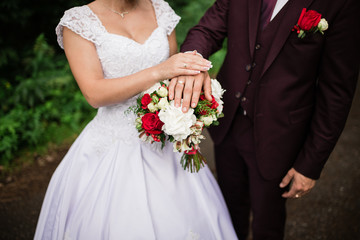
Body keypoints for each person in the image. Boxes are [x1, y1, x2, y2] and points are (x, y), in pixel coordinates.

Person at [34, 0, 238, 239]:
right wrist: (159, 71)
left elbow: (174, 76)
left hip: (165, 139)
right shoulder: (78, 22)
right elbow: (94, 93)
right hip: (113, 142)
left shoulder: (159, 9)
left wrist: (188, 103)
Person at [171, 0, 360, 239]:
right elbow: (207, 29)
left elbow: (336, 92)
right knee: (225, 213)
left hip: (280, 135)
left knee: (267, 223)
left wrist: (310, 164)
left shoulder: (342, 5)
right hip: (228, 124)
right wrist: (192, 63)